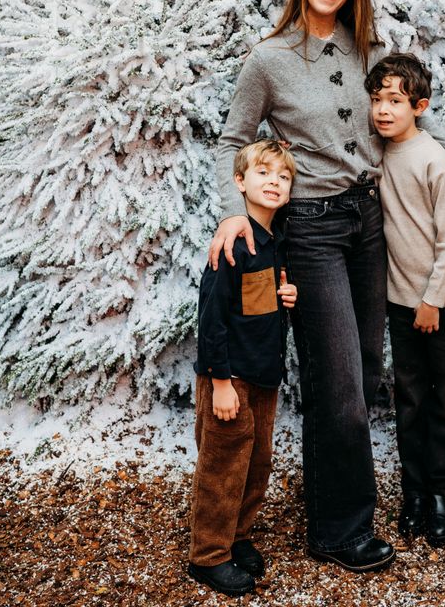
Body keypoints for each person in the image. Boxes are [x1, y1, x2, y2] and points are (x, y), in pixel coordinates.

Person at [209, 0, 445, 573]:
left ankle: (331, 511)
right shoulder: (268, 60)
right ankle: (340, 529)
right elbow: (231, 140)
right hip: (313, 231)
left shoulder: (369, 50)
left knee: (360, 372)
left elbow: (411, 111)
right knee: (342, 386)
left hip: (369, 224)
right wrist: (230, 210)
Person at [365, 53, 445, 547]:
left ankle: (438, 493)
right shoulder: (377, 152)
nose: (383, 110)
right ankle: (412, 493)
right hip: (400, 300)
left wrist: (431, 300)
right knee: (409, 399)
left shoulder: (435, 159)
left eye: (395, 100)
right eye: (376, 99)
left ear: (419, 106)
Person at [188, 139, 298, 597]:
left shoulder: (275, 240)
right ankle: (209, 556)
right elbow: (212, 317)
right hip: (228, 378)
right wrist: (220, 383)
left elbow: (252, 303)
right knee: (223, 465)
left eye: (284, 176)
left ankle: (237, 536)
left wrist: (284, 298)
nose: (274, 182)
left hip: (262, 375)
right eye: (263, 173)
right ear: (240, 181)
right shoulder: (233, 241)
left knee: (256, 463)